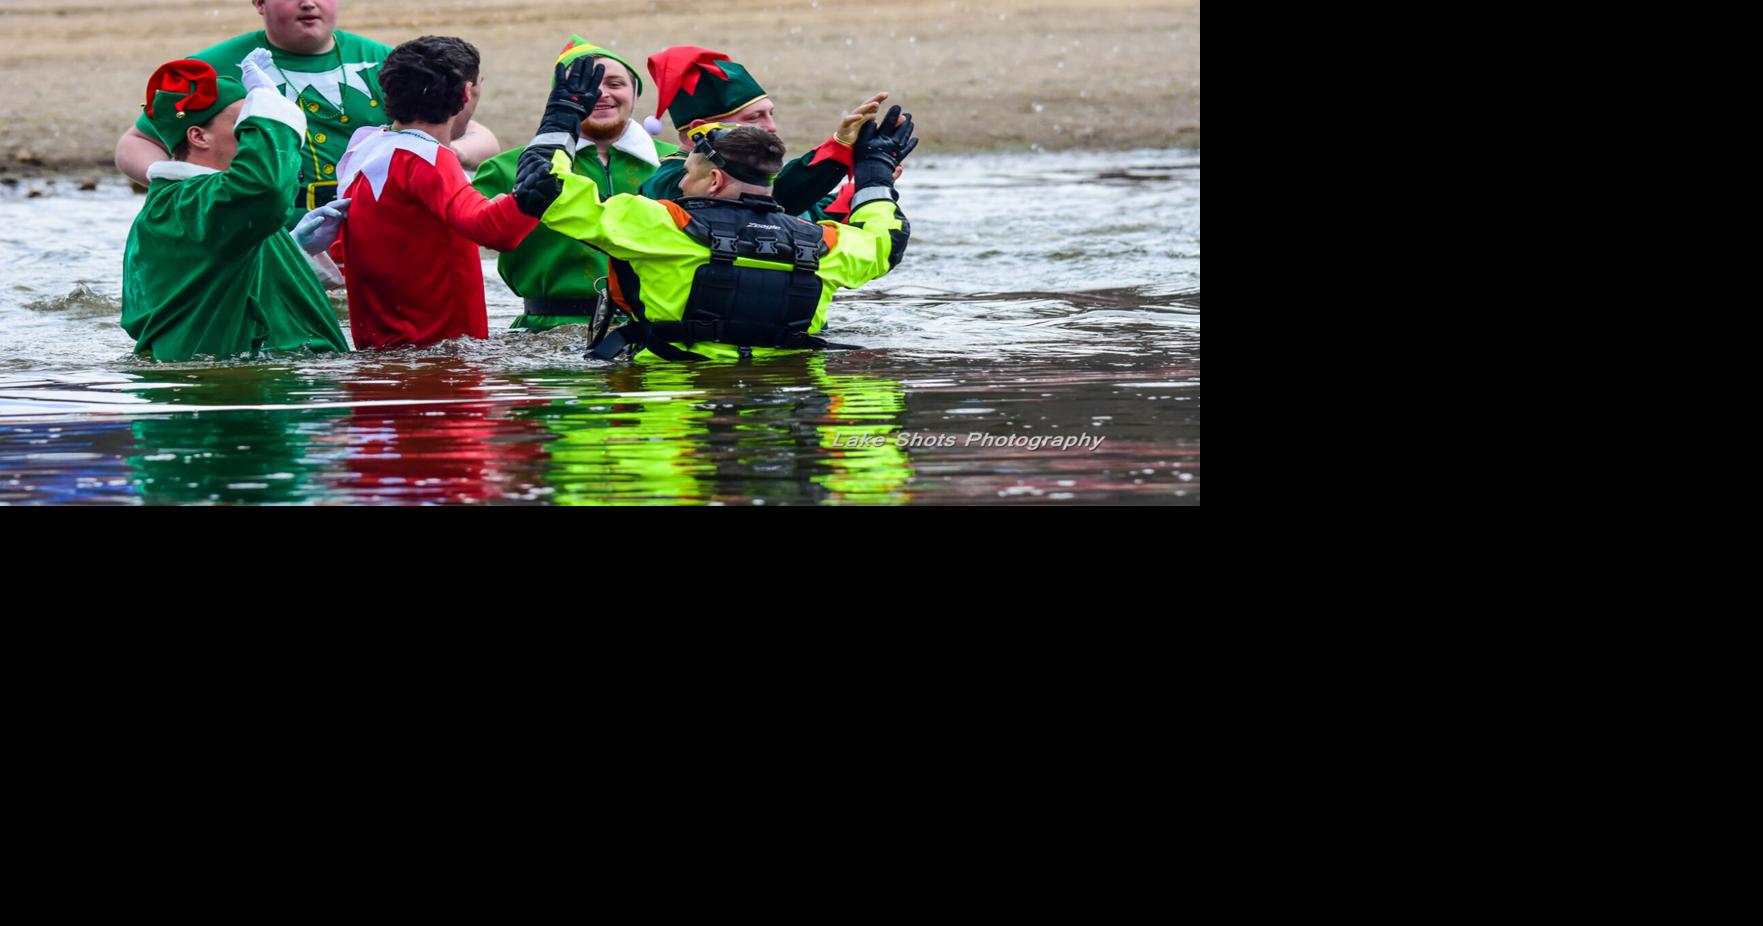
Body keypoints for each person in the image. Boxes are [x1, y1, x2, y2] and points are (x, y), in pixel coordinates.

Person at [512, 60, 917, 362]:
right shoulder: (826, 244)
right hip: (788, 419)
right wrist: (875, 171)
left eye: (688, 173)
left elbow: (541, 190)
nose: (681, 184)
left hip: (668, 427)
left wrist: (561, 116)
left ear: (716, 181)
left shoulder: (660, 225)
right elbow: (886, 240)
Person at [114, 0, 499, 221]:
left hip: (370, 228)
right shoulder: (212, 67)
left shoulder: (385, 62)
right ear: (259, 3)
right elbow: (135, 143)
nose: (308, 2)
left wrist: (448, 156)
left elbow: (481, 137)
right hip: (262, 231)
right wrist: (195, 190)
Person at [121, 53, 351, 361]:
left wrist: (294, 250)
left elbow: (217, 279)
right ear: (198, 136)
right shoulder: (192, 202)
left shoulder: (197, 202)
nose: (253, 133)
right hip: (227, 397)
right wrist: (271, 110)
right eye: (244, 124)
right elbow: (266, 187)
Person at [332, 36, 538, 350]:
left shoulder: (362, 150)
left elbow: (339, 257)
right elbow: (495, 231)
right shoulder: (430, 158)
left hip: (377, 366)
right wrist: (537, 190)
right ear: (466, 92)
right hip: (444, 371)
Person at [472, 36, 681, 332]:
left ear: (635, 95)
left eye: (615, 84)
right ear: (559, 99)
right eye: (583, 85)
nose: (600, 94)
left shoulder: (676, 166)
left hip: (657, 329)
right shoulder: (505, 168)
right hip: (545, 330)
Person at [638, 46, 887, 222]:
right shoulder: (670, 184)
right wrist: (838, 148)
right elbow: (772, 201)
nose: (771, 127)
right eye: (753, 118)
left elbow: (808, 216)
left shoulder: (746, 175)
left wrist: (870, 183)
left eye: (770, 114)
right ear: (698, 133)